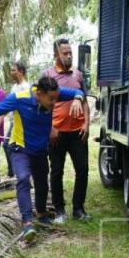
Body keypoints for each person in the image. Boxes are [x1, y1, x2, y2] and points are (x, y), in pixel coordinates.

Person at [0, 76, 84, 243]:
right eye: (51, 99)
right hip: (20, 148)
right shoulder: (19, 98)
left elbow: (79, 91)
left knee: (42, 184)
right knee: (23, 179)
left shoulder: (55, 92)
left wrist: (78, 99)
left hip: (40, 151)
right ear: (40, 93)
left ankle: (41, 215)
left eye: (56, 98)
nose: (55, 103)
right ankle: (27, 222)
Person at [42, 38, 91, 223]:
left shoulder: (78, 75)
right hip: (57, 133)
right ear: (56, 54)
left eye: (70, 52)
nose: (69, 56)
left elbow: (84, 100)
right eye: (65, 53)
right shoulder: (47, 75)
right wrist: (51, 127)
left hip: (78, 132)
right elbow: (43, 105)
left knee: (83, 170)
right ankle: (60, 210)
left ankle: (78, 209)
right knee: (56, 171)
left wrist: (86, 123)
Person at [3, 61, 30, 178]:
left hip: (22, 125)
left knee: (8, 146)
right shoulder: (14, 87)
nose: (11, 72)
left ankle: (16, 173)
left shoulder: (26, 87)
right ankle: (14, 173)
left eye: (14, 70)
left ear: (21, 72)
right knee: (8, 146)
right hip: (13, 123)